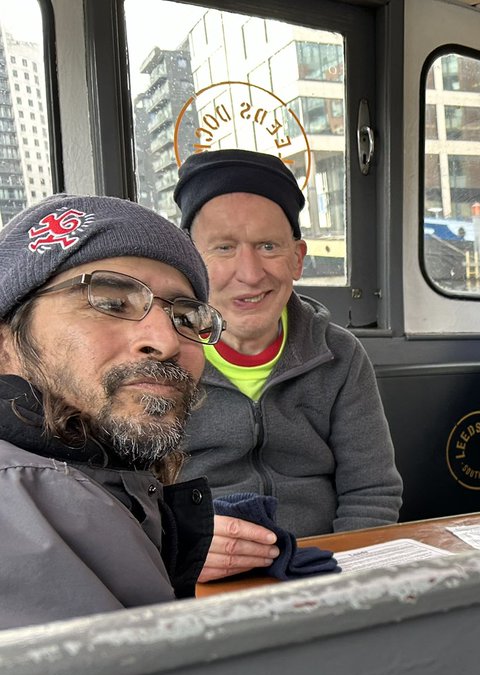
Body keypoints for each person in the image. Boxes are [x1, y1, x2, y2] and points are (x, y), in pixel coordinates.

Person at [0, 193, 274, 628]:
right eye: (110, 303)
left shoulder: (104, 480)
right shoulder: (22, 501)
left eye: (186, 317)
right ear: (6, 343)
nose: (165, 341)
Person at [173, 149, 403, 537]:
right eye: (224, 248)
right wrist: (186, 556)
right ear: (189, 260)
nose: (249, 273)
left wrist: (342, 579)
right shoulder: (160, 356)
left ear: (297, 260)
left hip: (320, 565)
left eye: (268, 246)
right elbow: (133, 497)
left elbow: (372, 491)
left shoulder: (339, 355)